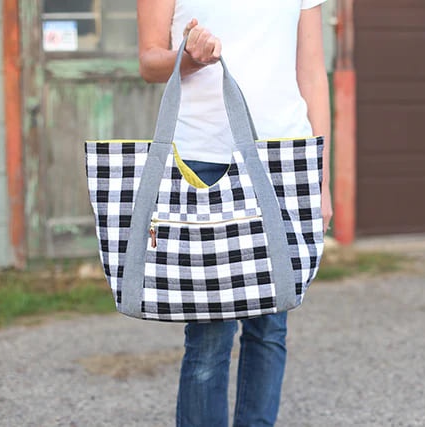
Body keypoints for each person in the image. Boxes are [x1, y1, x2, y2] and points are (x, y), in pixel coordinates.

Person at [136, 1, 332, 426]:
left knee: (270, 328)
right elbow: (150, 62)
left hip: (283, 158)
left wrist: (321, 178)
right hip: (203, 159)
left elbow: (313, 73)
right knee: (210, 333)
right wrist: (189, 57)